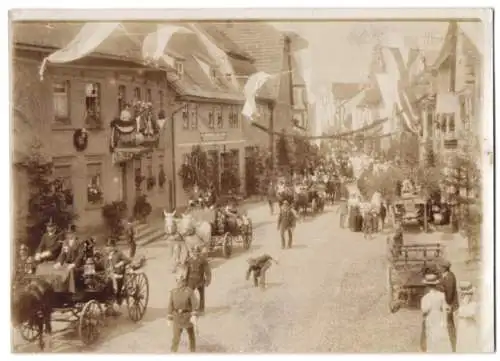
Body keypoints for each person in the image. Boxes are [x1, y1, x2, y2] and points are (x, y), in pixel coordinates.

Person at [167, 267, 200, 353]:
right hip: (177, 317)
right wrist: (169, 318)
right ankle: (173, 352)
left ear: (184, 281)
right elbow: (170, 305)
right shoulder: (173, 292)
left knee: (191, 336)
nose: (179, 283)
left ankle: (193, 352)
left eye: (181, 280)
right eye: (177, 280)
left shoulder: (189, 291)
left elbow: (195, 304)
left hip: (187, 317)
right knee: (176, 338)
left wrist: (194, 316)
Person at [420, 274, 452, 353]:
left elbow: (424, 310)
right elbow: (445, 308)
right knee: (440, 335)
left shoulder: (425, 297)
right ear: (436, 285)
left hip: (430, 318)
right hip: (439, 317)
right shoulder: (441, 295)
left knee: (431, 336)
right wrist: (444, 320)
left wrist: (425, 313)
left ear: (427, 285)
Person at [104, 237, 132, 312]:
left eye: (109, 246)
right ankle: (108, 302)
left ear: (113, 247)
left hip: (117, 274)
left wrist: (120, 263)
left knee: (110, 282)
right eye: (107, 246)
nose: (107, 248)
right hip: (108, 274)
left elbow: (128, 260)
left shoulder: (118, 253)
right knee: (102, 282)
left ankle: (112, 301)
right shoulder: (105, 255)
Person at [439, 258, 459, 352]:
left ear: (444, 268)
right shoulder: (445, 275)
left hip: (449, 304)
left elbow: (450, 293)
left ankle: (453, 344)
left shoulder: (449, 277)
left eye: (440, 267)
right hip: (447, 303)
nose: (439, 268)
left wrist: (447, 304)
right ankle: (450, 343)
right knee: (447, 323)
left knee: (449, 323)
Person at [185, 245, 211, 313]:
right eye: (194, 252)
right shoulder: (189, 260)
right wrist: (185, 281)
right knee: (189, 295)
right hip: (190, 281)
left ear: (199, 252)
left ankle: (201, 309)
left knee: (202, 295)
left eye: (197, 252)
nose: (195, 253)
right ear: (192, 252)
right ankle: (190, 309)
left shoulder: (203, 260)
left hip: (200, 280)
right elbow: (186, 271)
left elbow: (207, 271)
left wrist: (208, 280)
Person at [456, 281, 479, 352]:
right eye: (462, 295)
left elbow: (471, 313)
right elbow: (459, 313)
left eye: (467, 295)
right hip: (462, 326)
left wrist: (463, 312)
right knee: (462, 343)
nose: (463, 297)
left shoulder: (474, 304)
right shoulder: (461, 304)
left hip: (470, 326)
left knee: (470, 343)